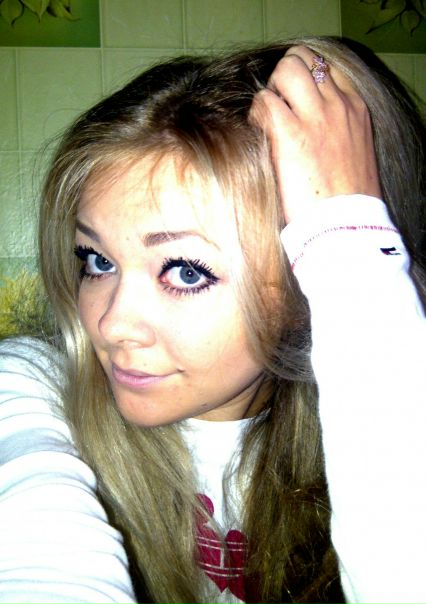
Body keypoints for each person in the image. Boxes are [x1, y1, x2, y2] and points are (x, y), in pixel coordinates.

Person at [0, 36, 425, 604]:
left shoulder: (388, 409)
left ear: (307, 280)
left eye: (185, 271)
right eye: (97, 261)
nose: (111, 325)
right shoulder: (33, 390)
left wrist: (350, 240)